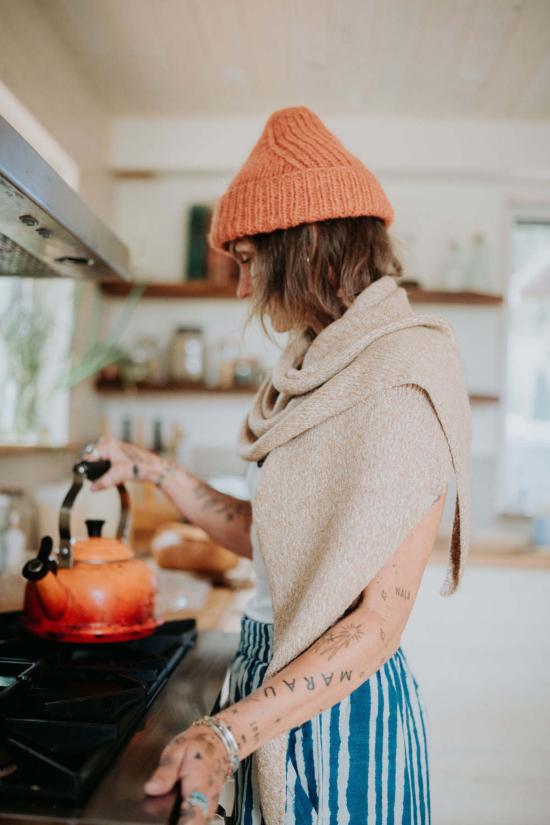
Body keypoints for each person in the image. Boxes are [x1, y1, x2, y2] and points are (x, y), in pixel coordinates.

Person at [89, 106, 472, 825]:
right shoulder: (313, 367)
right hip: (261, 684)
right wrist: (148, 467)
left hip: (341, 712)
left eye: (249, 262)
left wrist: (227, 731)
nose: (241, 290)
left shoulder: (404, 371)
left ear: (308, 242)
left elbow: (376, 623)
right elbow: (268, 533)